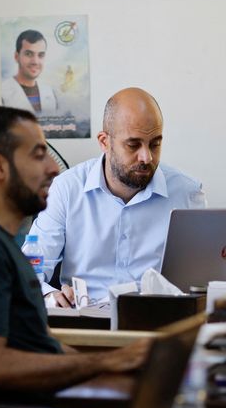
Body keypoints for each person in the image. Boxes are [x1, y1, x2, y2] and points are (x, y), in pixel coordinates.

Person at [0, 106, 149, 401]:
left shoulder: (0, 245)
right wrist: (105, 362)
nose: (54, 168)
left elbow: (38, 344)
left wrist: (113, 365)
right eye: (39, 155)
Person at [26, 87, 207, 306]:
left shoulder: (187, 194)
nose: (146, 157)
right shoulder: (67, 189)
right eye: (133, 145)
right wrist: (48, 295)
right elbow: (28, 270)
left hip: (158, 324)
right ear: (104, 142)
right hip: (85, 325)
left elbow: (202, 281)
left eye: (155, 144)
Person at [1, 29, 59, 116]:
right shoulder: (2, 93)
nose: (35, 61)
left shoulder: (50, 93)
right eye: (28, 54)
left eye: (41, 55)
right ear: (16, 56)